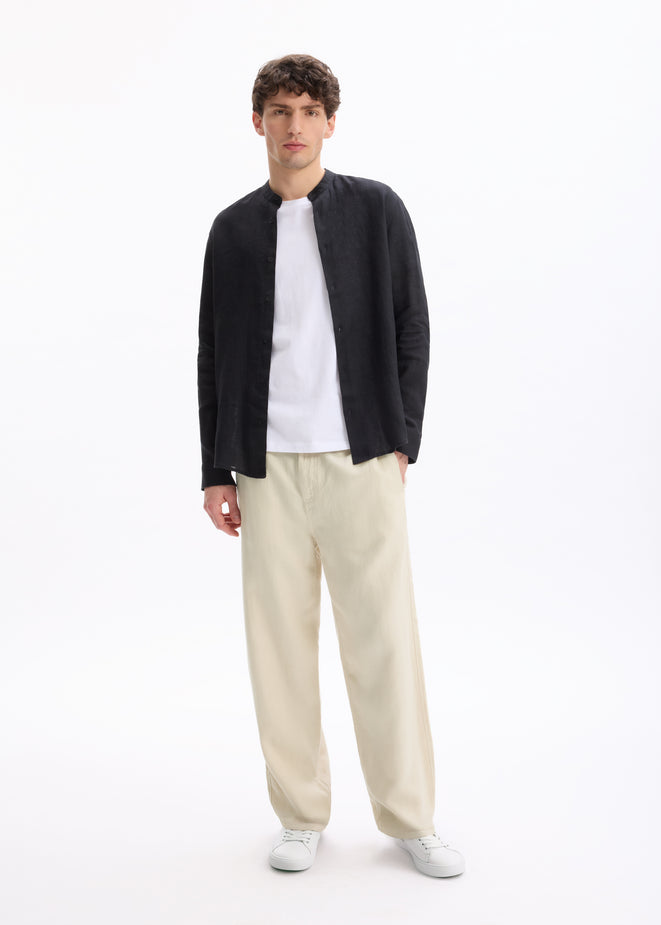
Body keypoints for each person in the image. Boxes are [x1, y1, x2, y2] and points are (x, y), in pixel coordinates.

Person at [197, 53, 464, 878]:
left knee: (384, 640)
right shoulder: (233, 230)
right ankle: (300, 814)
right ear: (258, 123)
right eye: (280, 111)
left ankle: (411, 817)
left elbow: (413, 325)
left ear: (330, 123)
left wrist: (400, 437)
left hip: (361, 459)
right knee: (278, 647)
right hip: (266, 468)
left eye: (310, 111)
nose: (295, 127)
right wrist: (216, 468)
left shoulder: (377, 210)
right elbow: (213, 353)